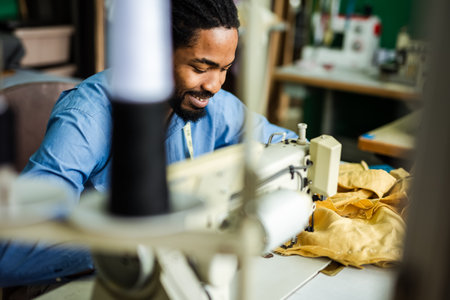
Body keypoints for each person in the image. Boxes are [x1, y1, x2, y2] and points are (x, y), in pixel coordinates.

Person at [0, 0, 296, 290]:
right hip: (89, 282)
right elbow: (11, 250)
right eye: (200, 67)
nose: (214, 84)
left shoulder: (213, 107)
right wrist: (133, 242)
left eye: (224, 68)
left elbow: (285, 146)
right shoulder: (87, 117)